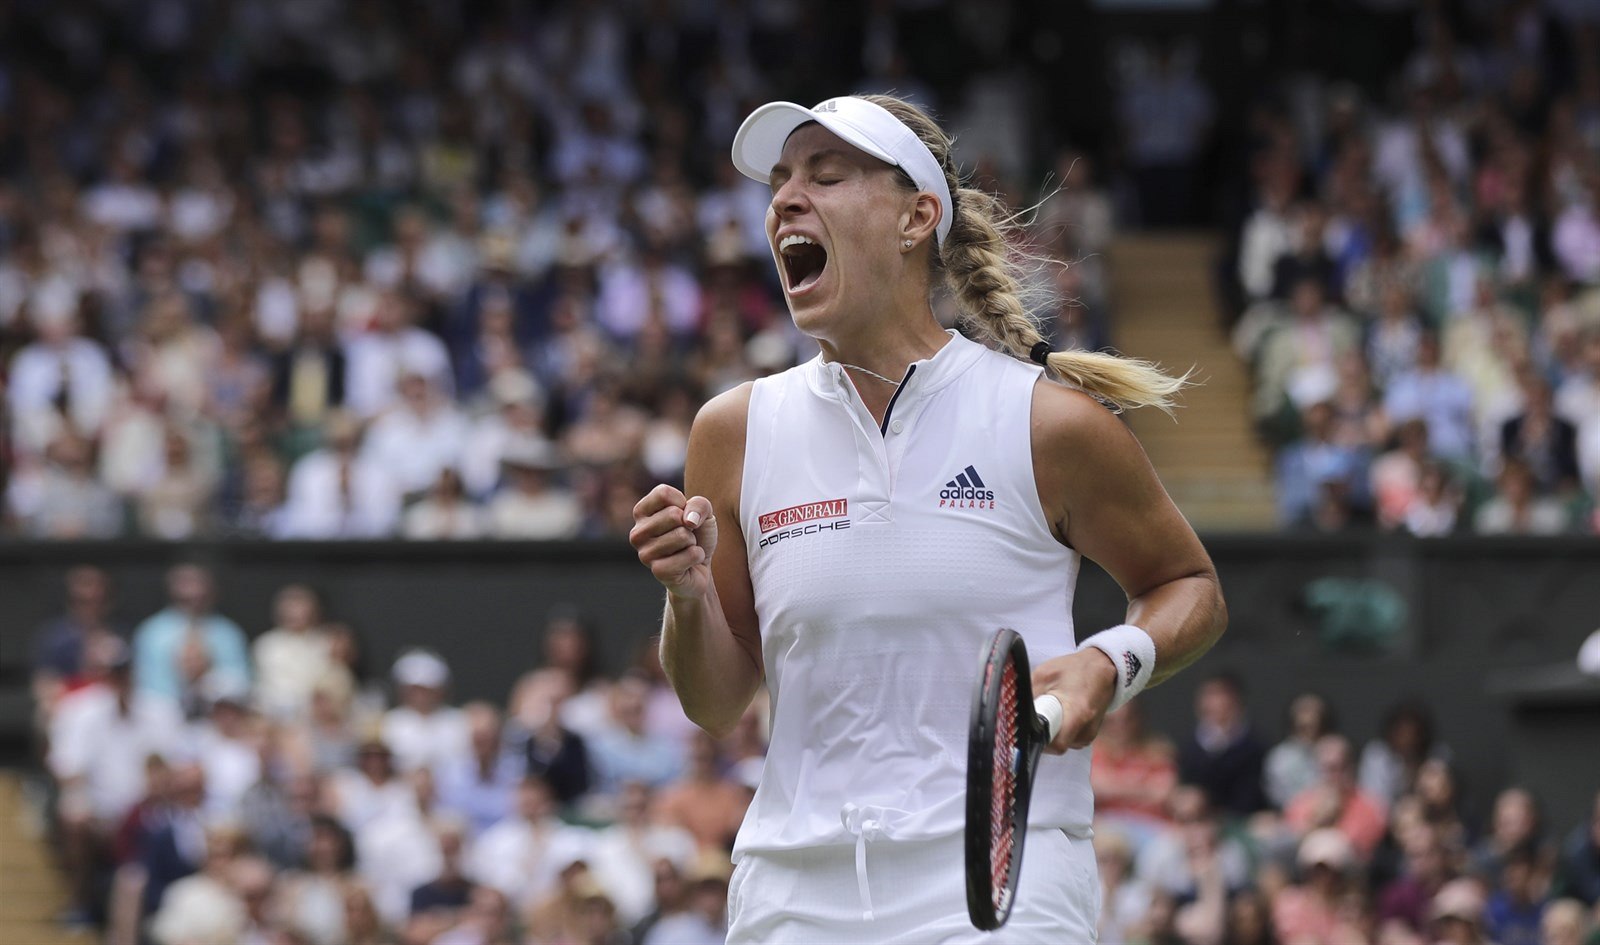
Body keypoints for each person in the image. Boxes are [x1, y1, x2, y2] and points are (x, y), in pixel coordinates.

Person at [629, 93, 1227, 942]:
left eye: (825, 176)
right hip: (794, 891)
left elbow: (1189, 585)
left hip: (1006, 885)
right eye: (781, 181)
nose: (785, 199)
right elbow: (717, 701)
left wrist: (1108, 661)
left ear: (916, 219)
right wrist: (686, 593)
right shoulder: (732, 431)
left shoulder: (1048, 423)